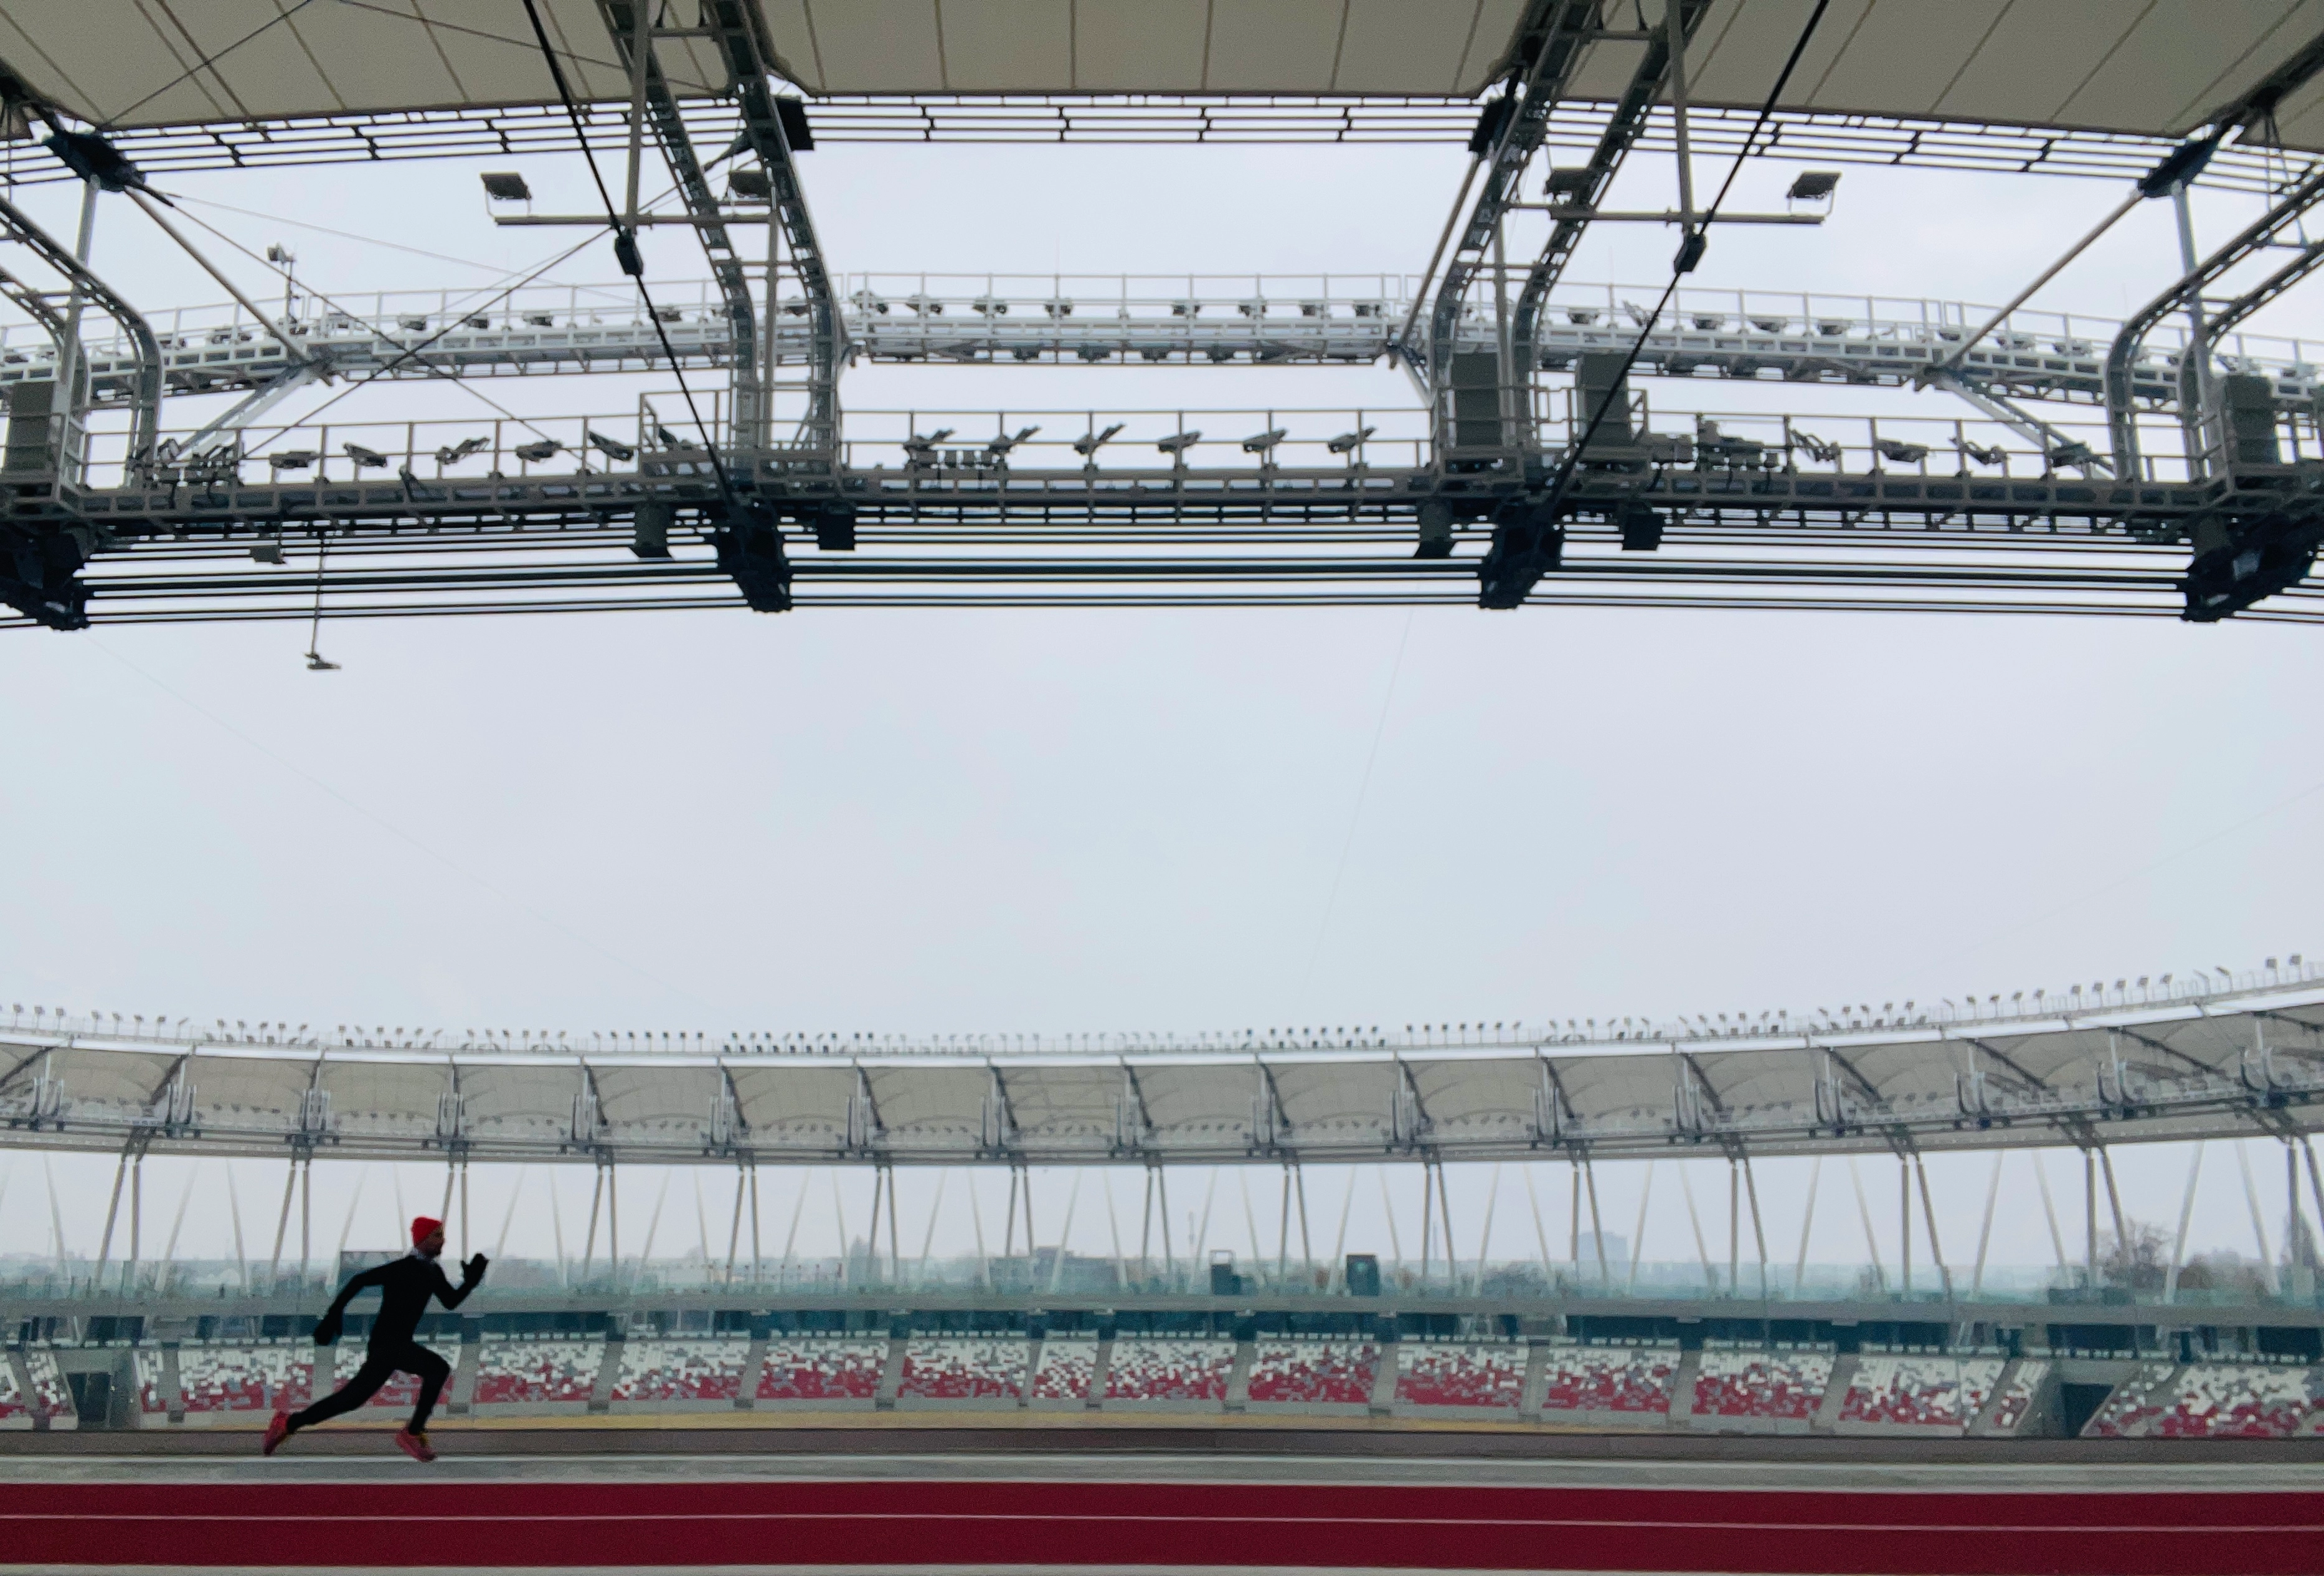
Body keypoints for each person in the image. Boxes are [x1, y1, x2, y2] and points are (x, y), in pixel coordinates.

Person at [263, 1215, 486, 1462]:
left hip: (392, 1345)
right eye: (437, 1235)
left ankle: (288, 1423)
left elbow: (450, 1301)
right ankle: (412, 1433)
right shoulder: (404, 1268)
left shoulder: (433, 1271)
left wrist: (469, 1283)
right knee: (437, 1368)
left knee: (351, 1400)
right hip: (388, 1344)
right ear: (422, 1239)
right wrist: (332, 1316)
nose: (443, 1241)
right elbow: (359, 1280)